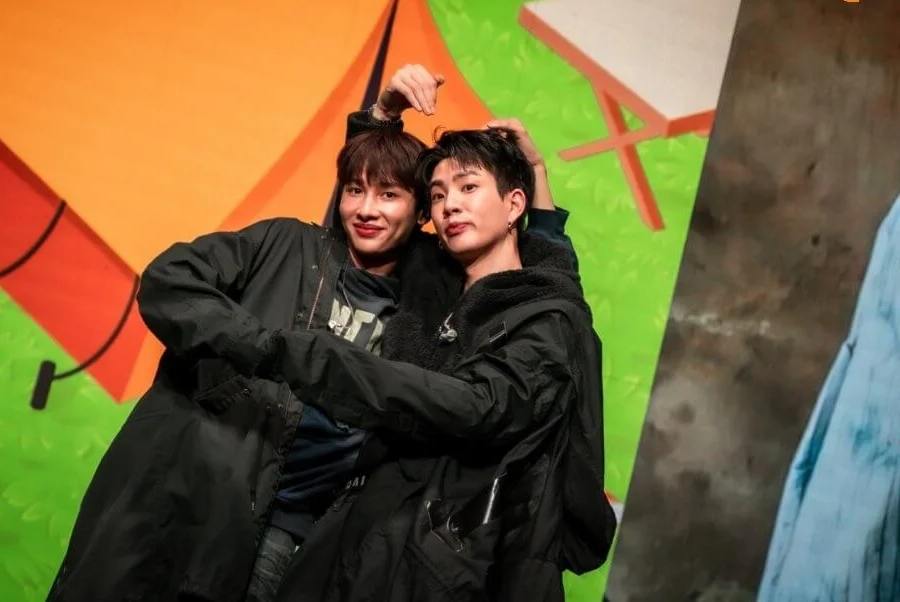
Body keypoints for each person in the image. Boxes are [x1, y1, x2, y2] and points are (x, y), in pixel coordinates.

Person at [44, 63, 577, 602]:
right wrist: (260, 347)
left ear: (422, 216)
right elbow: (169, 281)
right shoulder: (290, 246)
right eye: (353, 191)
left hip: (295, 532)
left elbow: (541, 282)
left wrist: (536, 175)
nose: (366, 209)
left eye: (391, 196)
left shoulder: (432, 293)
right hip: (196, 494)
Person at [208, 127, 615, 601]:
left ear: (514, 205)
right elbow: (365, 221)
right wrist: (382, 118)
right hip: (357, 534)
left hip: (450, 560)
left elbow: (482, 403)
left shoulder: (545, 317)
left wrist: (331, 363)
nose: (450, 205)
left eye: (468, 187)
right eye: (438, 195)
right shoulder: (430, 282)